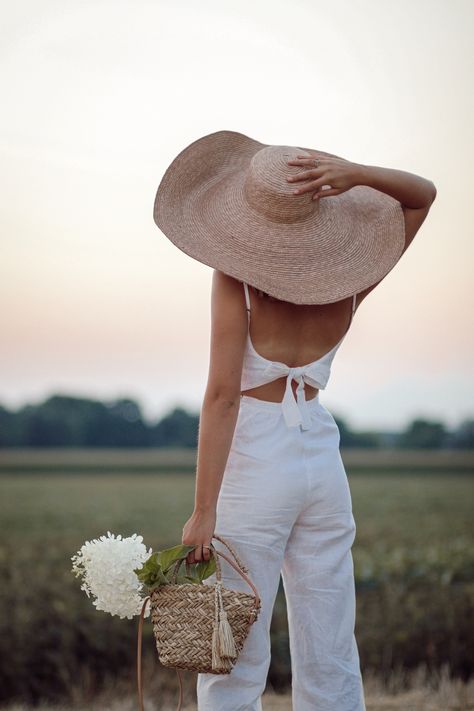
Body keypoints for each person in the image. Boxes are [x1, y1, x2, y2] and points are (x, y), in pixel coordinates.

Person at [153, 130, 437, 711]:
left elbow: (222, 397)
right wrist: (357, 172)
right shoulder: (351, 279)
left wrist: (203, 511)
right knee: (329, 629)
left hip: (257, 454)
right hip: (319, 450)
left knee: (232, 639)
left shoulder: (237, 279)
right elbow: (423, 194)